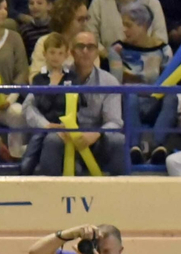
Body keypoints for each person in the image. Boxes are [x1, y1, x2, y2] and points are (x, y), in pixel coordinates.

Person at [26, 31, 125, 175]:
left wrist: (96, 134)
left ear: (97, 52)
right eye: (80, 46)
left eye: (90, 47)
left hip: (95, 140)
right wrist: (47, 125)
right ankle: (49, 194)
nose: (85, 51)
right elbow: (28, 106)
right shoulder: (54, 73)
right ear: (71, 52)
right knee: (52, 139)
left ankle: (120, 192)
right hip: (63, 136)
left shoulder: (109, 82)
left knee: (118, 140)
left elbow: (115, 121)